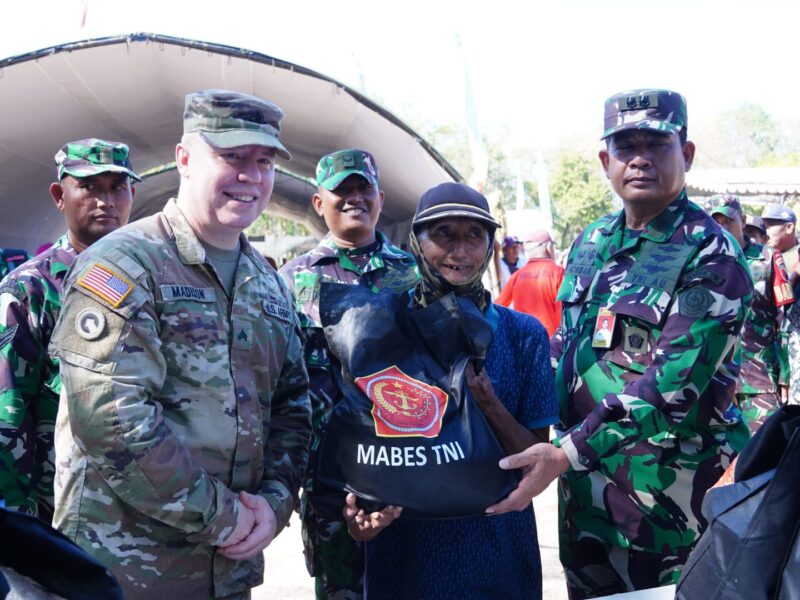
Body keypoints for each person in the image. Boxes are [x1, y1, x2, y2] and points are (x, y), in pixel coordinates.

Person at [487, 89, 753, 598]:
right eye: (626, 146)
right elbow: (565, 350)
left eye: (657, 144)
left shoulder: (709, 253)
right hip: (587, 505)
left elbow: (672, 386)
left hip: (670, 510)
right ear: (606, 160)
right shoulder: (592, 241)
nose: (640, 159)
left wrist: (564, 453)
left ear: (687, 155)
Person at [48, 90, 312, 599]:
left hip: (226, 571)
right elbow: (113, 420)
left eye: (264, 162)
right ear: (185, 160)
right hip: (124, 570)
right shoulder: (124, 263)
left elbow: (292, 405)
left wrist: (275, 503)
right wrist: (224, 516)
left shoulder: (269, 283)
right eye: (232, 157)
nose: (251, 177)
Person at [343, 182, 559, 600]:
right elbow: (363, 453)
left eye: (474, 235)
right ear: (416, 242)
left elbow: (535, 462)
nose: (460, 251)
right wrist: (360, 517)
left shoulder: (521, 334)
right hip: (406, 555)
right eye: (443, 234)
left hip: (498, 553)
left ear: (490, 244)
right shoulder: (381, 329)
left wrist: (487, 403)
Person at [279, 148, 419, 600]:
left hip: (409, 468)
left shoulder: (415, 274)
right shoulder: (292, 281)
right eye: (342, 190)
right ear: (319, 203)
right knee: (343, 590)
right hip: (330, 479)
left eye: (364, 188)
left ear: (379, 197)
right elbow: (277, 380)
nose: (354, 198)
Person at [0, 138, 139, 519]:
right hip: (62, 508)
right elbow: (7, 412)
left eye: (117, 187)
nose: (106, 201)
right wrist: (17, 521)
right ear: (60, 196)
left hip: (146, 513)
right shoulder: (30, 289)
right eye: (90, 186)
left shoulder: (153, 280)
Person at [708, 194, 792, 432]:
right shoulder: (705, 259)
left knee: (763, 452)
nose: (722, 227)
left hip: (759, 378)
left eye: (728, 221)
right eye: (716, 222)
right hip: (713, 378)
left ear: (743, 220)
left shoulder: (768, 258)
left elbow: (784, 322)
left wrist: (785, 376)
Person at [495, 228, 564, 337]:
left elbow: (497, 308)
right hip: (550, 341)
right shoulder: (559, 273)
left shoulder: (517, 276)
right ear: (548, 247)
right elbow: (564, 314)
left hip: (523, 341)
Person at [762, 203, 799, 275]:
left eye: (768, 227)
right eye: (763, 227)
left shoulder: (797, 255)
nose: (764, 233)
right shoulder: (760, 253)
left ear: (789, 228)